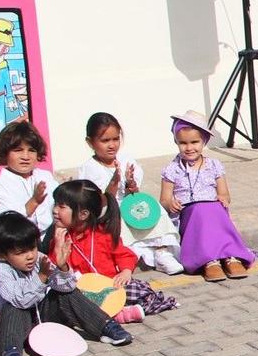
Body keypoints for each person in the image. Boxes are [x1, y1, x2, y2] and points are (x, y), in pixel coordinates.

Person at [0, 210, 131, 356]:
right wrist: (42, 277)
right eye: (20, 253)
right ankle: (11, 355)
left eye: (32, 248)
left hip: (40, 317)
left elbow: (68, 288)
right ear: (2, 255)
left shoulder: (40, 258)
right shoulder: (1, 271)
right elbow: (21, 301)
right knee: (13, 308)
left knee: (65, 293)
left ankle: (106, 326)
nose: (30, 256)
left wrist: (62, 267)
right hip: (9, 326)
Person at [48, 180, 176, 323]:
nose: (55, 210)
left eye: (61, 207)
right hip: (82, 291)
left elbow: (124, 254)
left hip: (110, 287)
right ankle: (119, 315)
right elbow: (54, 269)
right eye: (55, 205)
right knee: (65, 303)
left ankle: (115, 313)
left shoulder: (103, 234)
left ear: (83, 214)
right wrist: (58, 247)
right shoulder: (61, 239)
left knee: (140, 290)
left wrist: (125, 272)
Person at [74, 111, 184, 275]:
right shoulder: (89, 168)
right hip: (108, 211)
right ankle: (136, 255)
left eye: (115, 139)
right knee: (120, 220)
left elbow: (134, 192)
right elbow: (100, 201)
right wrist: (114, 182)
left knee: (155, 209)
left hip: (129, 204)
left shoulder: (126, 160)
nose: (112, 145)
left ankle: (162, 252)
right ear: (90, 142)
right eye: (105, 140)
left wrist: (131, 184)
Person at [160, 111, 253, 282]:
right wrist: (170, 204)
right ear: (176, 142)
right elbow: (164, 200)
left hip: (212, 211)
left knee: (213, 208)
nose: (189, 148)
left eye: (194, 142)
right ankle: (209, 260)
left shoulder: (214, 165)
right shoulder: (172, 169)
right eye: (183, 143)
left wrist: (223, 198)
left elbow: (224, 193)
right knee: (200, 210)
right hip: (189, 214)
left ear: (204, 141)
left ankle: (230, 256)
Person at [0, 120, 55, 234]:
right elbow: (10, 221)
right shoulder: (2, 184)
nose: (25, 157)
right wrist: (34, 201)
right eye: (18, 150)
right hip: (20, 242)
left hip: (49, 236)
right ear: (5, 153)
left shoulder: (45, 176)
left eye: (31, 150)